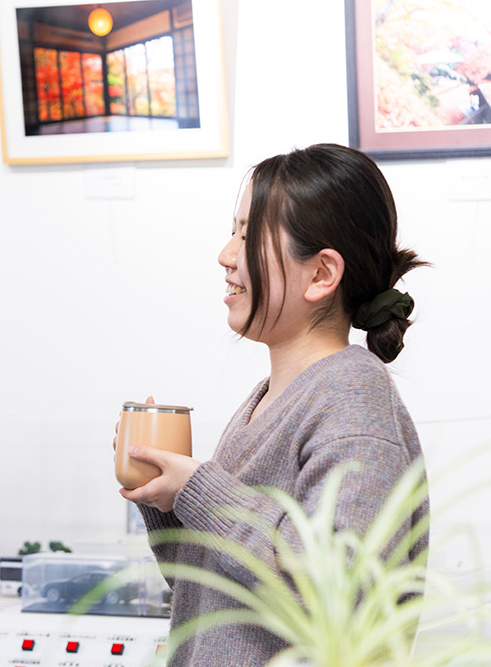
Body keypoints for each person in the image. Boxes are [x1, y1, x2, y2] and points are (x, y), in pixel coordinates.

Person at [119, 143, 429, 665]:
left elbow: (343, 597)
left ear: (322, 274)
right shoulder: (265, 400)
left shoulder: (354, 395)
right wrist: (163, 499)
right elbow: (215, 589)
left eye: (247, 234)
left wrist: (198, 488)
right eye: (232, 230)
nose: (225, 254)